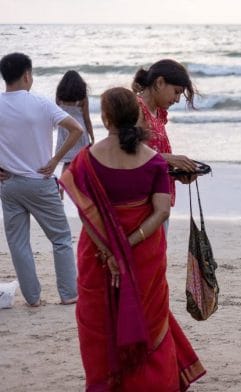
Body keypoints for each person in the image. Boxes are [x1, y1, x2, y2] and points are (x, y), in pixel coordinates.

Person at [59, 87, 205, 390]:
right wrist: (130, 241)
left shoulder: (86, 160)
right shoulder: (154, 161)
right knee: (151, 320)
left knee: (99, 325)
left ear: (105, 118)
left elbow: (86, 212)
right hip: (143, 255)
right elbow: (162, 211)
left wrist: (111, 251)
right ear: (137, 115)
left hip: (98, 257)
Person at [0, 52, 83, 307]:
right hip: (40, 181)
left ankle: (32, 298)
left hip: (8, 184)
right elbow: (76, 129)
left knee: (18, 244)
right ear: (27, 75)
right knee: (60, 238)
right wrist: (56, 160)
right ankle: (68, 294)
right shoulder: (41, 102)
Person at [132, 59, 199, 211]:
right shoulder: (136, 108)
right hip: (141, 200)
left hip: (159, 198)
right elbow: (129, 153)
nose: (177, 99)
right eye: (176, 92)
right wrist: (170, 158)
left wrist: (177, 172)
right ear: (160, 82)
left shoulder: (158, 113)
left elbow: (151, 158)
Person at [54, 70, 94, 198]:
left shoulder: (59, 97)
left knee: (67, 162)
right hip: (79, 130)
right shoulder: (82, 98)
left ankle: (62, 187)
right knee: (82, 160)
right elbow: (87, 118)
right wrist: (92, 135)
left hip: (65, 129)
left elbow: (57, 113)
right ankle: (83, 189)